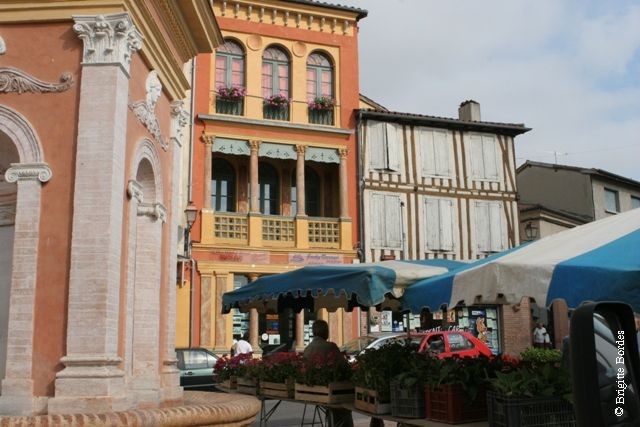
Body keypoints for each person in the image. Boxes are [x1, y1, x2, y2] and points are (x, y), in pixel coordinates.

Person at [303, 320, 354, 427]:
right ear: (326, 332)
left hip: (312, 391)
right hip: (330, 392)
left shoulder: (307, 349)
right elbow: (344, 366)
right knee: (345, 403)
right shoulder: (330, 346)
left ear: (313, 332)